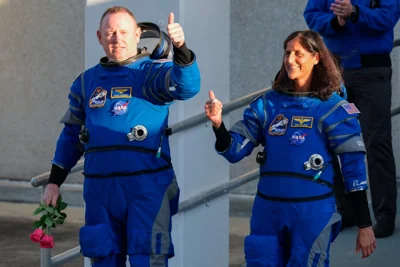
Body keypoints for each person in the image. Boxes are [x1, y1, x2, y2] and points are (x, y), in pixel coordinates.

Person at [42, 6, 201, 267]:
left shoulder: (152, 72)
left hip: (147, 187)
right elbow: (72, 135)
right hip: (100, 190)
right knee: (103, 257)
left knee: (147, 258)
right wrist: (54, 181)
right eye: (111, 32)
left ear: (138, 34)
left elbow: (187, 87)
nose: (118, 38)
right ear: (99, 37)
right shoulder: (86, 82)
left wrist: (181, 48)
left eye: (124, 31)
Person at [205, 30, 376, 266]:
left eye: (298, 53)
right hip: (268, 211)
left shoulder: (334, 108)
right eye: (287, 53)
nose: (290, 59)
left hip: (312, 212)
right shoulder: (268, 104)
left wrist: (364, 224)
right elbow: (234, 150)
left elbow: (354, 172)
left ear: (316, 57)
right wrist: (218, 125)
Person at [304, 0, 399, 238]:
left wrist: (356, 12)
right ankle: (345, 211)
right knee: (329, 140)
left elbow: (388, 17)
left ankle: (384, 217)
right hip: (335, 71)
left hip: (371, 71)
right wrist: (335, 21)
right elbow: (312, 14)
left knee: (377, 142)